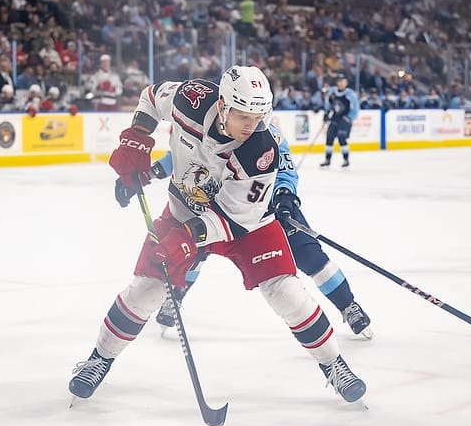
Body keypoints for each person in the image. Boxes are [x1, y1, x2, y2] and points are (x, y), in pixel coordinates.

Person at [69, 66, 367, 405]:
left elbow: (236, 218)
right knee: (146, 289)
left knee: (286, 291)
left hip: (246, 225)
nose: (252, 125)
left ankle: (334, 364)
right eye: (243, 116)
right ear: (222, 105)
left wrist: (185, 238)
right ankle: (100, 358)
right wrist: (138, 135)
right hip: (183, 209)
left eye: (258, 116)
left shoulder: (261, 149)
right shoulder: (191, 98)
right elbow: (151, 98)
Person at [121, 128, 373, 339]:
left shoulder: (270, 136)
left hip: (266, 212)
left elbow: (285, 170)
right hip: (217, 209)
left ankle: (348, 305)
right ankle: (174, 298)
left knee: (311, 258)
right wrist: (150, 173)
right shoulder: (210, 130)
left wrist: (284, 197)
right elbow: (179, 157)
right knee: (191, 251)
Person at [320, 75, 359, 168]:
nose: (341, 83)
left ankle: (346, 159)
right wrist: (326, 113)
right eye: (339, 81)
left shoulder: (350, 94)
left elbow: (355, 108)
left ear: (346, 83)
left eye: (343, 81)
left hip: (344, 119)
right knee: (329, 138)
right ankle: (327, 159)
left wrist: (349, 117)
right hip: (334, 118)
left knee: (342, 138)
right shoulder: (332, 92)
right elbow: (328, 103)